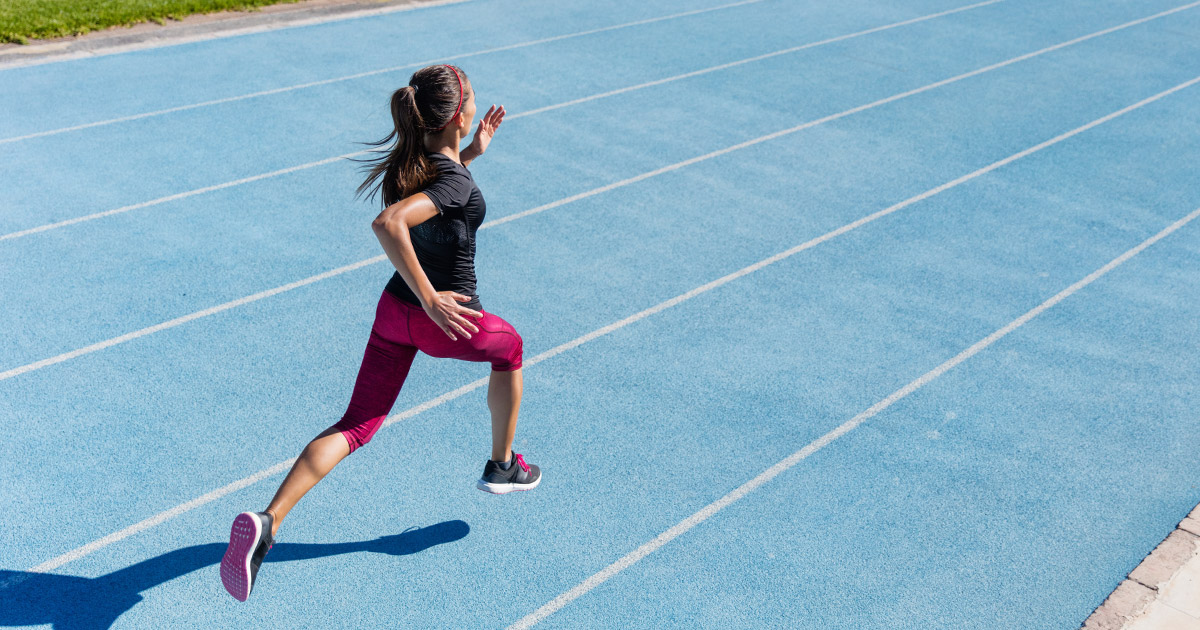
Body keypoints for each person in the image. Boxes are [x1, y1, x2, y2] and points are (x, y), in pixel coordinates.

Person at [220, 64, 539, 602]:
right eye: (472, 102)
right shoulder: (451, 178)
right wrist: (432, 298)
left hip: (393, 314)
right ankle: (503, 465)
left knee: (357, 424)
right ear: (456, 115)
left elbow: (441, 192)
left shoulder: (413, 164)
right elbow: (390, 223)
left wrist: (472, 153)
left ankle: (268, 521)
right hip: (446, 322)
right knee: (510, 349)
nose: (474, 110)